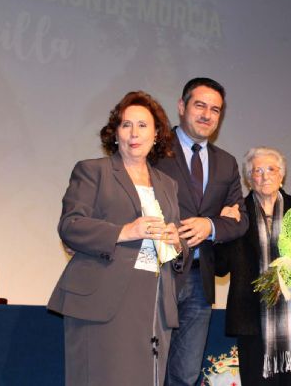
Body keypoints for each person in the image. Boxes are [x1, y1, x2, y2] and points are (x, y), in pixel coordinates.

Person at [48, 91, 187, 385]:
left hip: (155, 303)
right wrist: (126, 230)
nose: (134, 133)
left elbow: (177, 243)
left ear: (157, 133)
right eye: (126, 125)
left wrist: (177, 241)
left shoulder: (167, 185)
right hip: (104, 300)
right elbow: (71, 225)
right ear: (115, 133)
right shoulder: (93, 171)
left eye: (143, 125)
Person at [154, 77, 249, 386]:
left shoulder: (226, 163)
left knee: (186, 373)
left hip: (200, 277)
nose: (207, 115)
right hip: (156, 272)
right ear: (182, 107)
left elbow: (240, 219)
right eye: (200, 106)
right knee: (148, 367)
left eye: (215, 109)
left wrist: (208, 225)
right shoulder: (155, 151)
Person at [215, 147, 291, 386]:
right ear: (249, 179)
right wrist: (221, 229)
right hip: (251, 317)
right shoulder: (238, 213)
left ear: (281, 176)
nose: (264, 176)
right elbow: (219, 267)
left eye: (271, 169)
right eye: (257, 170)